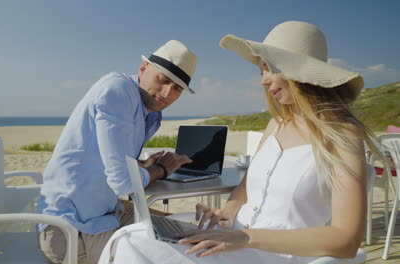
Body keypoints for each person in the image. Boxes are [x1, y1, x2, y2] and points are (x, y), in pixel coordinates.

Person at [99, 21, 380, 264]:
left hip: (275, 254)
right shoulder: (276, 125)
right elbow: (246, 188)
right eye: (261, 71)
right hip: (234, 237)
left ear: (298, 71)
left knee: (135, 247)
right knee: (131, 235)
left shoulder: (342, 134)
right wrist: (226, 211)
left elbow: (346, 239)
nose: (263, 81)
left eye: (269, 69)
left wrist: (243, 237)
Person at [36, 40, 197, 263]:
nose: (167, 92)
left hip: (106, 214)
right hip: (71, 231)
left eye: (177, 88)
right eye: (163, 80)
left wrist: (144, 166)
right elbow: (122, 183)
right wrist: (161, 169)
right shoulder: (118, 90)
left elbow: (110, 162)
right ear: (143, 69)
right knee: (181, 253)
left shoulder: (146, 111)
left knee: (188, 232)